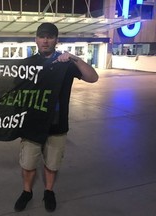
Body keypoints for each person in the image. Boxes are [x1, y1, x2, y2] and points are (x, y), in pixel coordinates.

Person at [14, 22, 99, 212]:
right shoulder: (26, 65)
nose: (45, 40)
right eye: (42, 36)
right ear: (36, 39)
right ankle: (27, 192)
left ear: (56, 40)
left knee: (52, 164)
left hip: (57, 124)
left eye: (50, 36)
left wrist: (73, 58)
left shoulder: (66, 64)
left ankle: (48, 192)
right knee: (28, 164)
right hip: (32, 125)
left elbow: (93, 77)